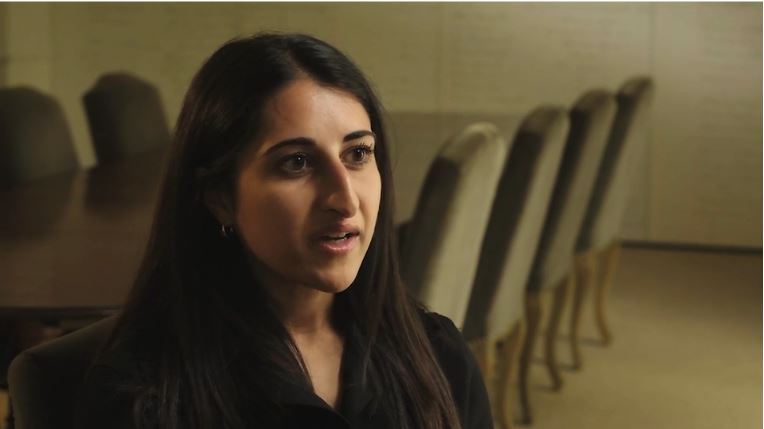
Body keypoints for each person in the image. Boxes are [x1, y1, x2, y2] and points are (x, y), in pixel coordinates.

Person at [76, 33, 493, 429]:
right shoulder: (145, 397)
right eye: (297, 162)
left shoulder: (441, 359)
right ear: (220, 197)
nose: (345, 200)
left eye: (358, 153)